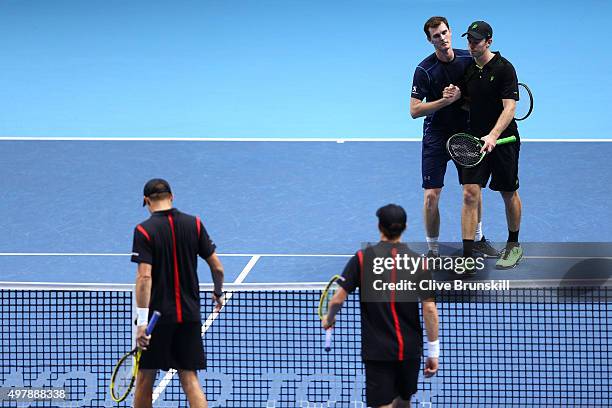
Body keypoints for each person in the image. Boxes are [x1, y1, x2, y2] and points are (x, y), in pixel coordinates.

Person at [322, 204, 439, 408]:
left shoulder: (362, 258)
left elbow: (337, 300)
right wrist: (433, 352)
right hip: (410, 349)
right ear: (405, 226)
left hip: (379, 350)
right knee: (403, 402)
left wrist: (329, 319)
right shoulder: (418, 262)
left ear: (379, 226)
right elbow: (429, 309)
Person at [131, 178, 225, 408]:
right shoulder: (195, 224)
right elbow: (218, 268)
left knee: (144, 379)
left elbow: (144, 277)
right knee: (189, 378)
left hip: (156, 320)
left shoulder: (144, 230)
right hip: (189, 315)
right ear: (172, 196)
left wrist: (142, 323)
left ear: (146, 201)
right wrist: (218, 292)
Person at [410, 16, 498, 259]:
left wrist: (462, 97)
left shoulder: (469, 60)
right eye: (436, 36)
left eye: (445, 32)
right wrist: (443, 101)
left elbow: (482, 96)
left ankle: (478, 239)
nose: (442, 38)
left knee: (472, 191)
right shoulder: (424, 70)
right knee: (430, 197)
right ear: (430, 40)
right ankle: (433, 251)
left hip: (466, 134)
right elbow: (415, 111)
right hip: (436, 136)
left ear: (450, 32)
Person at [459, 21, 523, 269]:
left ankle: (513, 244)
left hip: (503, 141)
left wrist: (494, 135)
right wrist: (455, 97)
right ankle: (467, 254)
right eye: (469, 40)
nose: (471, 44)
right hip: (475, 141)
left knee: (508, 192)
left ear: (489, 41)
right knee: (470, 193)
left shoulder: (505, 69)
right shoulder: (469, 70)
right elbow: (468, 102)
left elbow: (510, 108)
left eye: (476, 40)